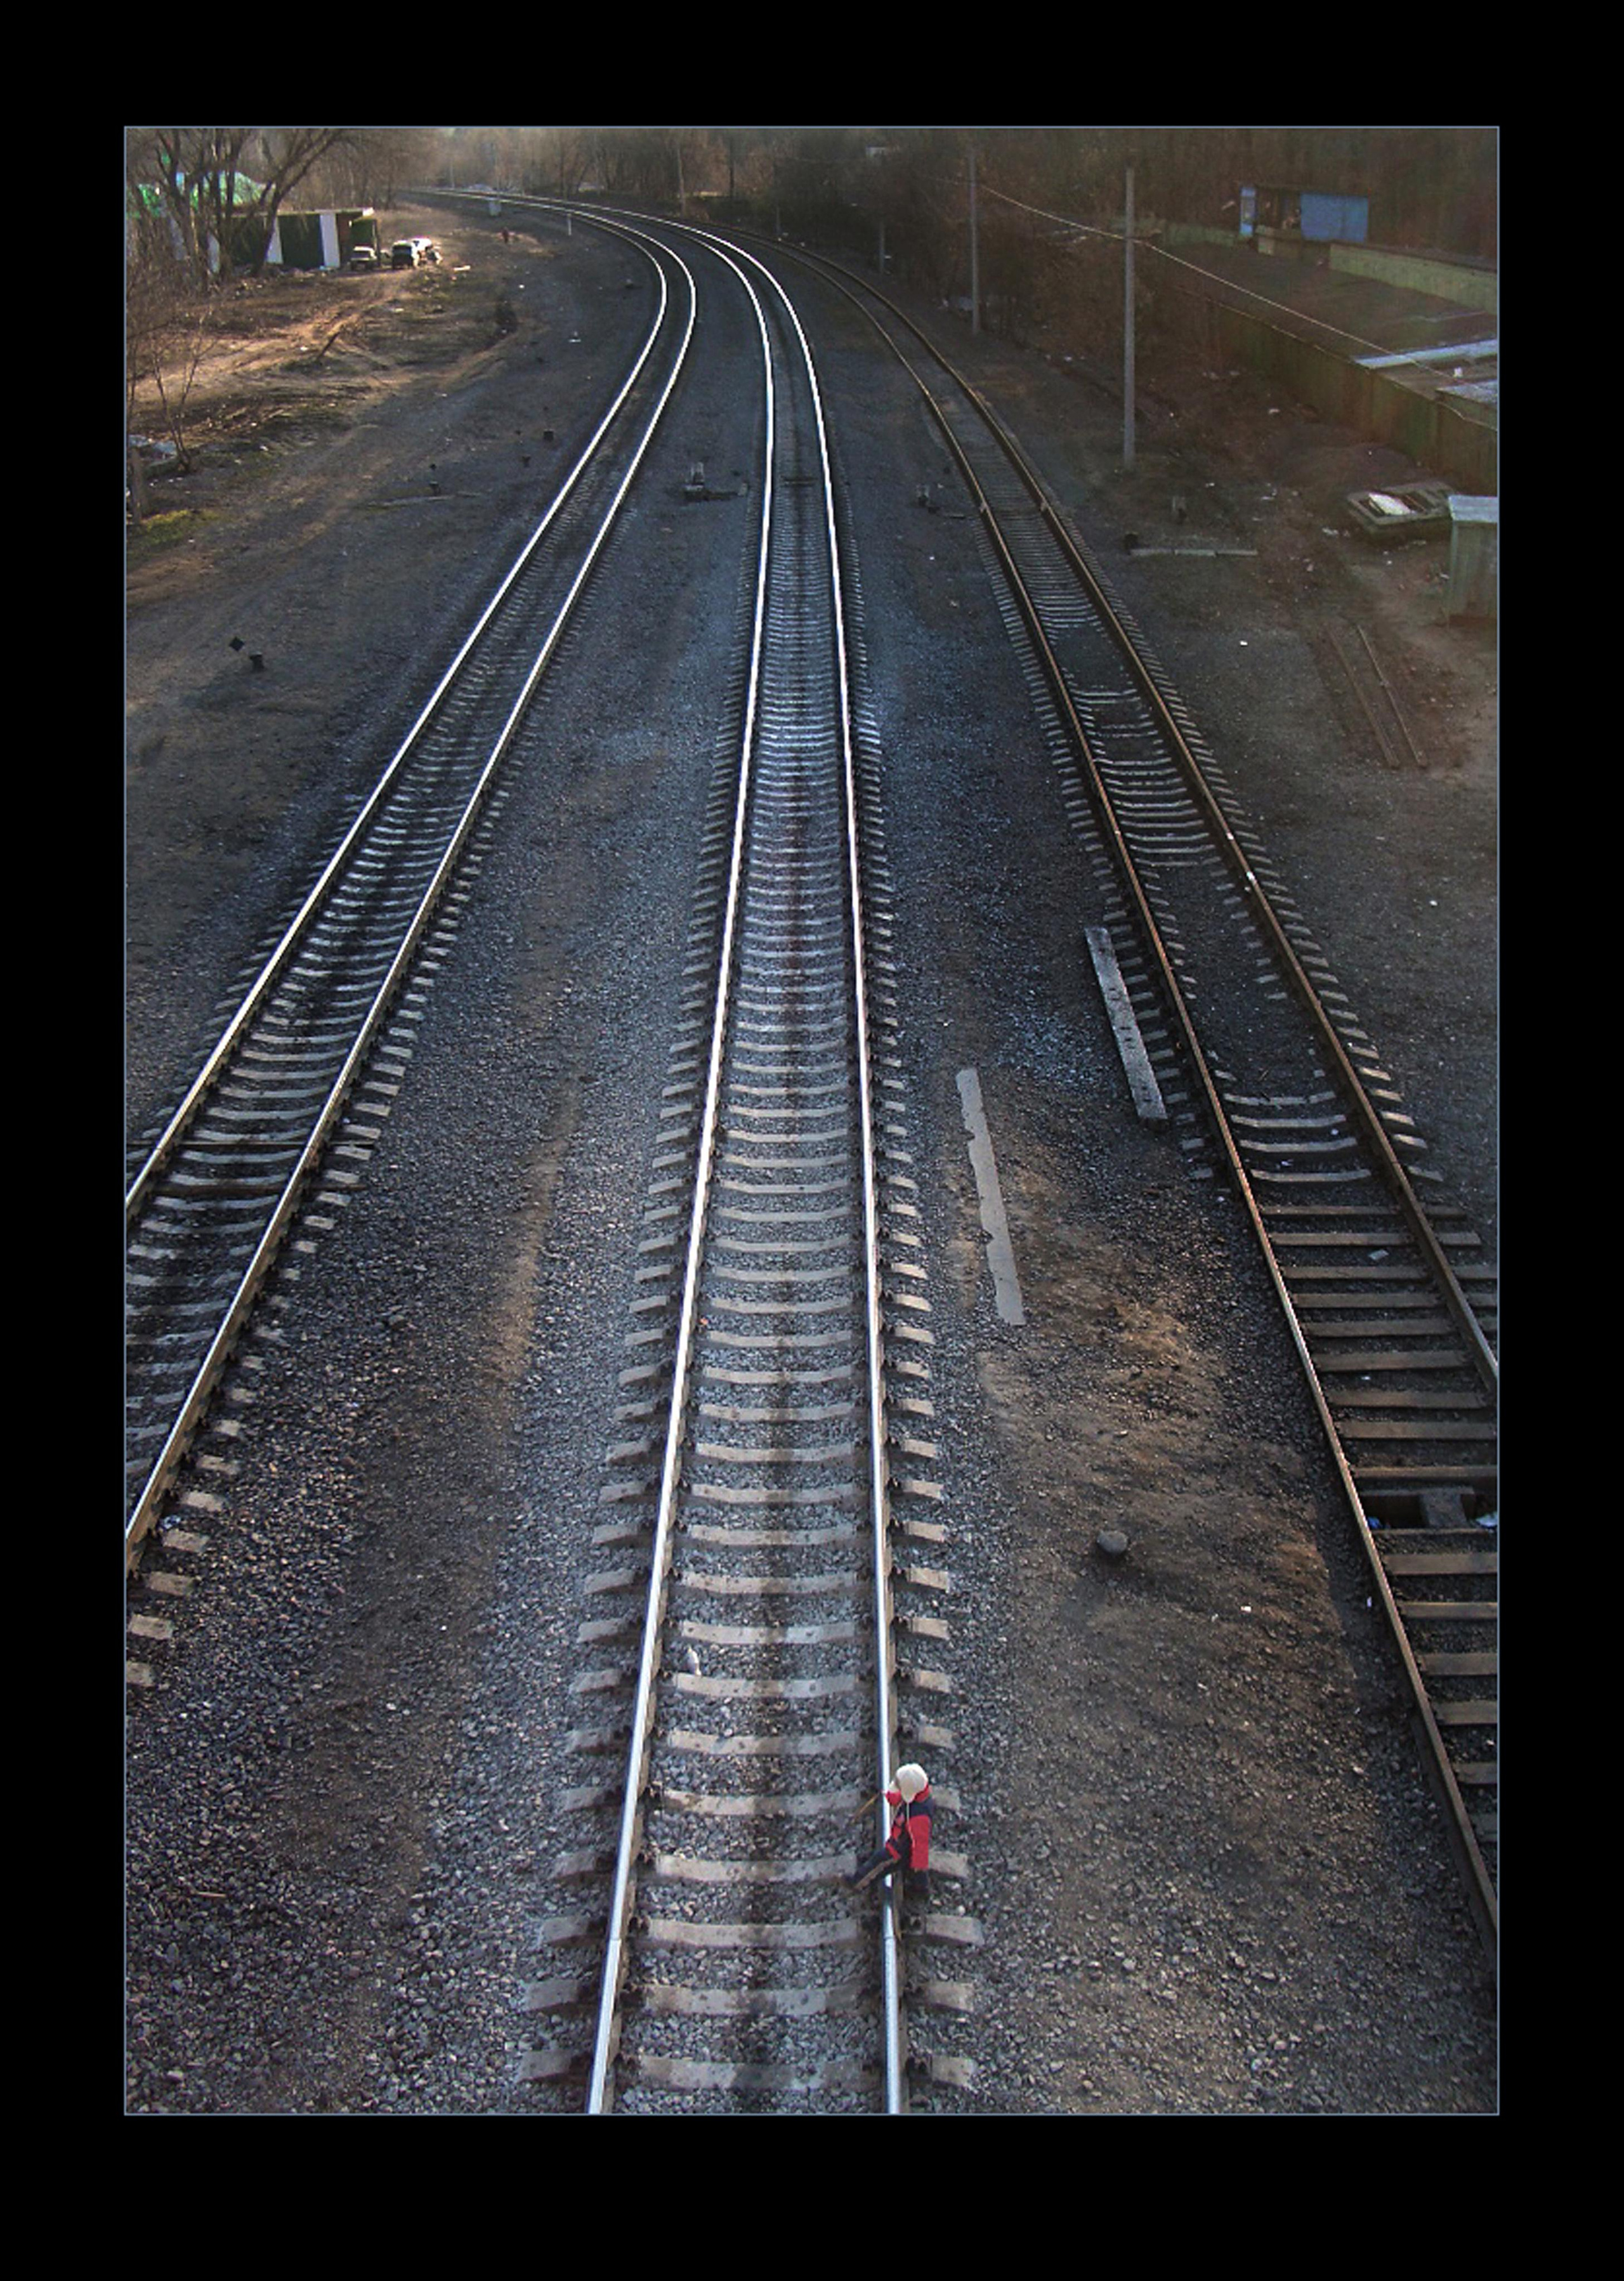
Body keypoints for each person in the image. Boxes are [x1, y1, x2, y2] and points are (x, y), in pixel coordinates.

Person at [848, 1763, 932, 1902]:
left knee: (878, 1863)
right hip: (903, 1843)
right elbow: (900, 1797)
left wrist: (919, 1864)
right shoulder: (920, 1796)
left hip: (899, 1851)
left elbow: (920, 1844)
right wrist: (888, 1796)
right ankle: (921, 1890)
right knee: (916, 1873)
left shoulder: (919, 1817)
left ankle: (857, 1883)